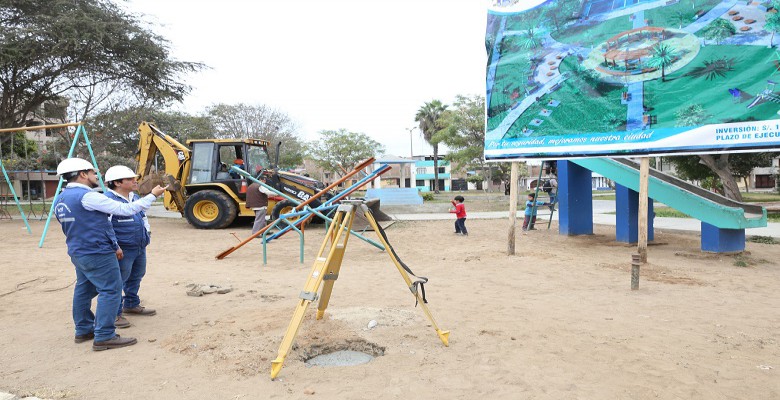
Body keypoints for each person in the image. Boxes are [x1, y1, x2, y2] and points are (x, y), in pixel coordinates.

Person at [54, 157, 167, 351]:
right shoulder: (88, 196)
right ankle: (105, 335)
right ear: (82, 174)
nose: (95, 176)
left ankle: (83, 329)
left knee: (84, 290)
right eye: (92, 172)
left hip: (79, 251)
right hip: (97, 251)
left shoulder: (60, 198)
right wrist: (153, 195)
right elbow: (126, 210)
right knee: (111, 290)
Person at [104, 165, 157, 331]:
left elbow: (142, 215)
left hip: (139, 245)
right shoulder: (108, 200)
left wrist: (146, 232)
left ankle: (131, 304)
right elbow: (105, 226)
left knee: (137, 275)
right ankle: (115, 314)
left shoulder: (134, 197)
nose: (135, 181)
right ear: (117, 183)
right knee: (119, 280)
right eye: (130, 179)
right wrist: (115, 246)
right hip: (123, 249)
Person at [247, 168, 275, 234]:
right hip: (260, 205)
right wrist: (278, 193)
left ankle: (264, 231)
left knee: (262, 219)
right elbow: (268, 193)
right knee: (259, 220)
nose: (264, 182)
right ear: (261, 180)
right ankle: (255, 233)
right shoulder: (260, 186)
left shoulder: (251, 186)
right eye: (264, 180)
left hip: (254, 205)